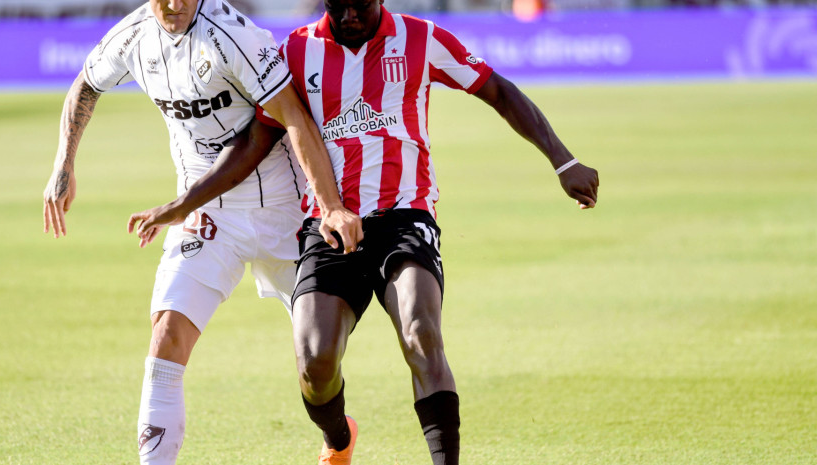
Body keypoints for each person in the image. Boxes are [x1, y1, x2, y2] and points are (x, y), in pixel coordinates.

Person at [254, 1, 601, 464]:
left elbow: (497, 89)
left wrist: (564, 160)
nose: (350, 14)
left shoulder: (421, 38)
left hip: (405, 215)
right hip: (331, 223)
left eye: (361, 4)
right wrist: (194, 200)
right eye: (338, 5)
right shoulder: (295, 51)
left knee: (420, 331)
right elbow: (258, 135)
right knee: (315, 362)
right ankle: (338, 438)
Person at [40, 1, 362, 464]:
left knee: (318, 361)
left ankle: (337, 437)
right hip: (208, 215)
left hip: (283, 210)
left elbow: (291, 118)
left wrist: (329, 206)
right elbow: (86, 83)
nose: (175, 4)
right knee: (166, 338)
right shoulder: (133, 36)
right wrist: (63, 164)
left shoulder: (236, 37)